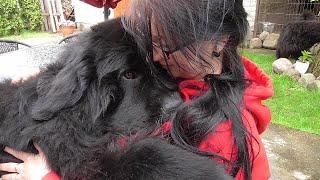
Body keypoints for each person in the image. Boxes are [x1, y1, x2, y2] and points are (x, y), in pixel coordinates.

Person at [0, 0, 274, 180]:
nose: (156, 57)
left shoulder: (223, 135)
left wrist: (47, 178)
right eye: (153, 42)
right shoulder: (188, 72)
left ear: (219, 42)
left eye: (167, 45)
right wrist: (46, 81)